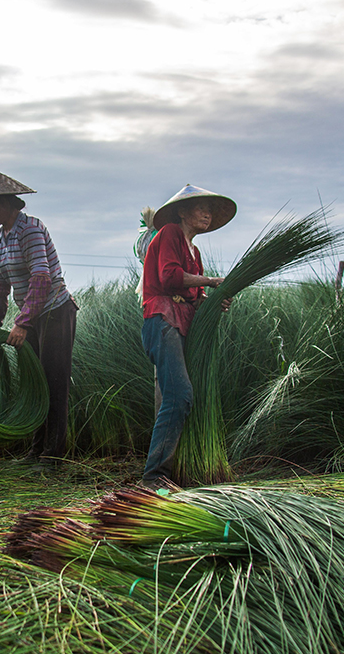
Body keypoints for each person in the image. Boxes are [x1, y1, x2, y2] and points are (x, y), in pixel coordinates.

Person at [0, 169, 78, 471]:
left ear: (4, 203)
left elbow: (41, 277)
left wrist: (22, 323)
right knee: (33, 384)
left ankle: (53, 457)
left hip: (55, 313)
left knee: (52, 382)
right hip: (34, 316)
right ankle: (36, 451)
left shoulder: (30, 230)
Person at [140, 184, 237, 488]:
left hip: (180, 322)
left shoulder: (194, 251)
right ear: (182, 211)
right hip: (163, 320)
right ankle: (154, 477)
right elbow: (169, 277)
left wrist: (212, 299)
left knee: (179, 397)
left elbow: (192, 294)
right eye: (200, 208)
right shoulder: (169, 233)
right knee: (179, 396)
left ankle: (168, 471)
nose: (207, 214)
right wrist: (211, 280)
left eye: (210, 209)